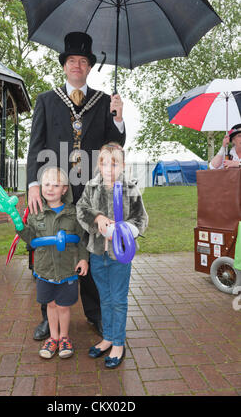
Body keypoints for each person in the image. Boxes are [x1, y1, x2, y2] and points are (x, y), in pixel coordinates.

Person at [26, 31, 126, 340]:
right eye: (72, 60)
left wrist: (119, 118)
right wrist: (32, 184)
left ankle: (94, 314)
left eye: (83, 61)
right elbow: (35, 146)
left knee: (92, 251)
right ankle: (49, 316)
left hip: (91, 192)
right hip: (54, 192)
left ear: (90, 66)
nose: (77, 66)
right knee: (52, 253)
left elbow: (114, 144)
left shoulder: (104, 101)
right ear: (64, 65)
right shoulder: (46, 100)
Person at [76, 142, 148, 368]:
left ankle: (118, 342)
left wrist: (124, 230)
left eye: (114, 163)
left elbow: (141, 219)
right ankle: (107, 337)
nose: (108, 168)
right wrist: (97, 218)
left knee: (118, 300)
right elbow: (81, 210)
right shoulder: (91, 186)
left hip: (120, 256)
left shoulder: (130, 189)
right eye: (103, 163)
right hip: (98, 253)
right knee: (104, 299)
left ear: (123, 165)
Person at [16, 167, 89, 359]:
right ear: (41, 187)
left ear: (64, 189)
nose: (50, 189)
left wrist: (83, 258)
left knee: (64, 306)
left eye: (56, 185)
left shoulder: (73, 213)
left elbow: (81, 238)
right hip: (45, 269)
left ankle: (64, 337)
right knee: (51, 305)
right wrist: (18, 225)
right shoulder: (36, 212)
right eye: (46, 184)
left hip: (67, 269)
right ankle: (53, 337)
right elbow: (30, 238)